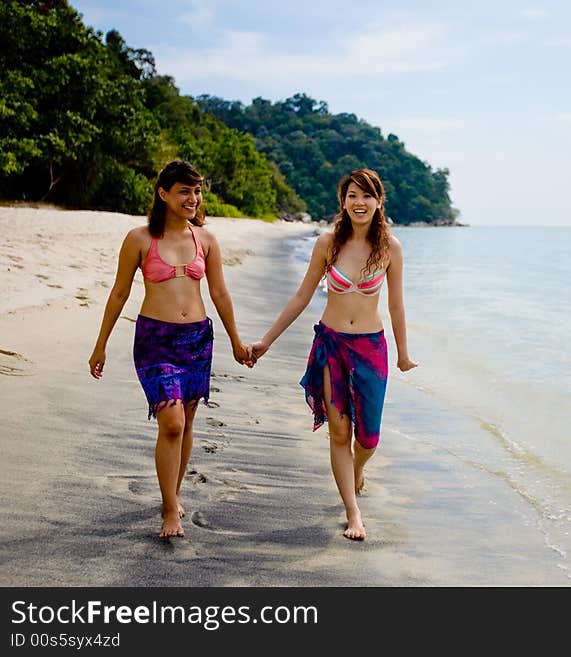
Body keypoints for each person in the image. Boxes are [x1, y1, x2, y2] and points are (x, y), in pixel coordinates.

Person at [89, 160, 253, 539]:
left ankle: (174, 493)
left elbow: (219, 293)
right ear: (163, 194)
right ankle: (168, 510)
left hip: (197, 339)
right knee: (173, 422)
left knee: (188, 421)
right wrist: (100, 345)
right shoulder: (140, 238)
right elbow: (119, 293)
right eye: (184, 191)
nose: (192, 198)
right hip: (155, 340)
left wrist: (235, 340)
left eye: (196, 191)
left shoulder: (206, 241)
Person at [250, 168, 417, 541]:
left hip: (371, 348)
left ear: (378, 202)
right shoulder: (327, 244)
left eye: (367, 196)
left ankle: (358, 469)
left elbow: (397, 306)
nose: (359, 203)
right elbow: (301, 296)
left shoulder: (391, 248)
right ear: (343, 201)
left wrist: (403, 354)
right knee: (339, 432)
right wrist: (267, 341)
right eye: (352, 196)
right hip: (332, 345)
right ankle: (353, 514)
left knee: (368, 439)